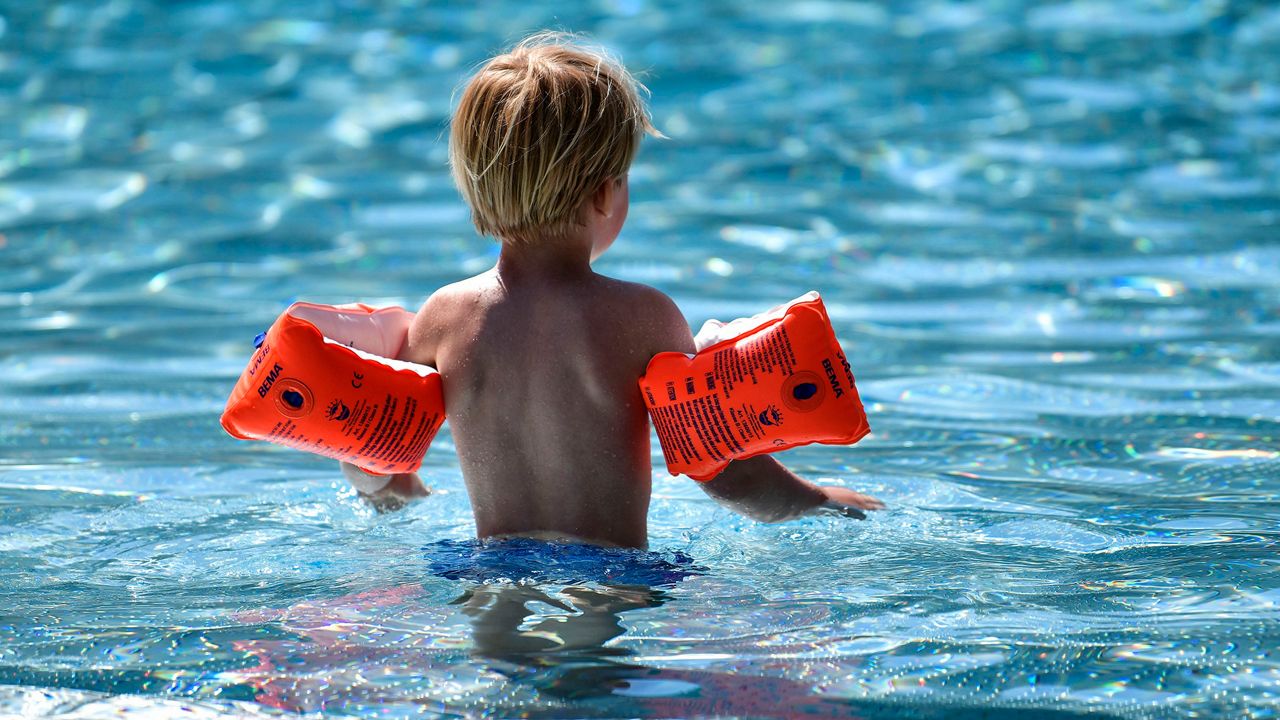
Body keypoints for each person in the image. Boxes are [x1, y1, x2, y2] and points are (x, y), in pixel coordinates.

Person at [342, 32, 882, 547]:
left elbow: (386, 454)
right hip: (614, 569)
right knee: (595, 642)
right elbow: (719, 468)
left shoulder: (443, 317)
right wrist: (815, 499)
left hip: (491, 566)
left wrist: (391, 490)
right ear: (605, 193)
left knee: (495, 644)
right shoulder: (643, 316)